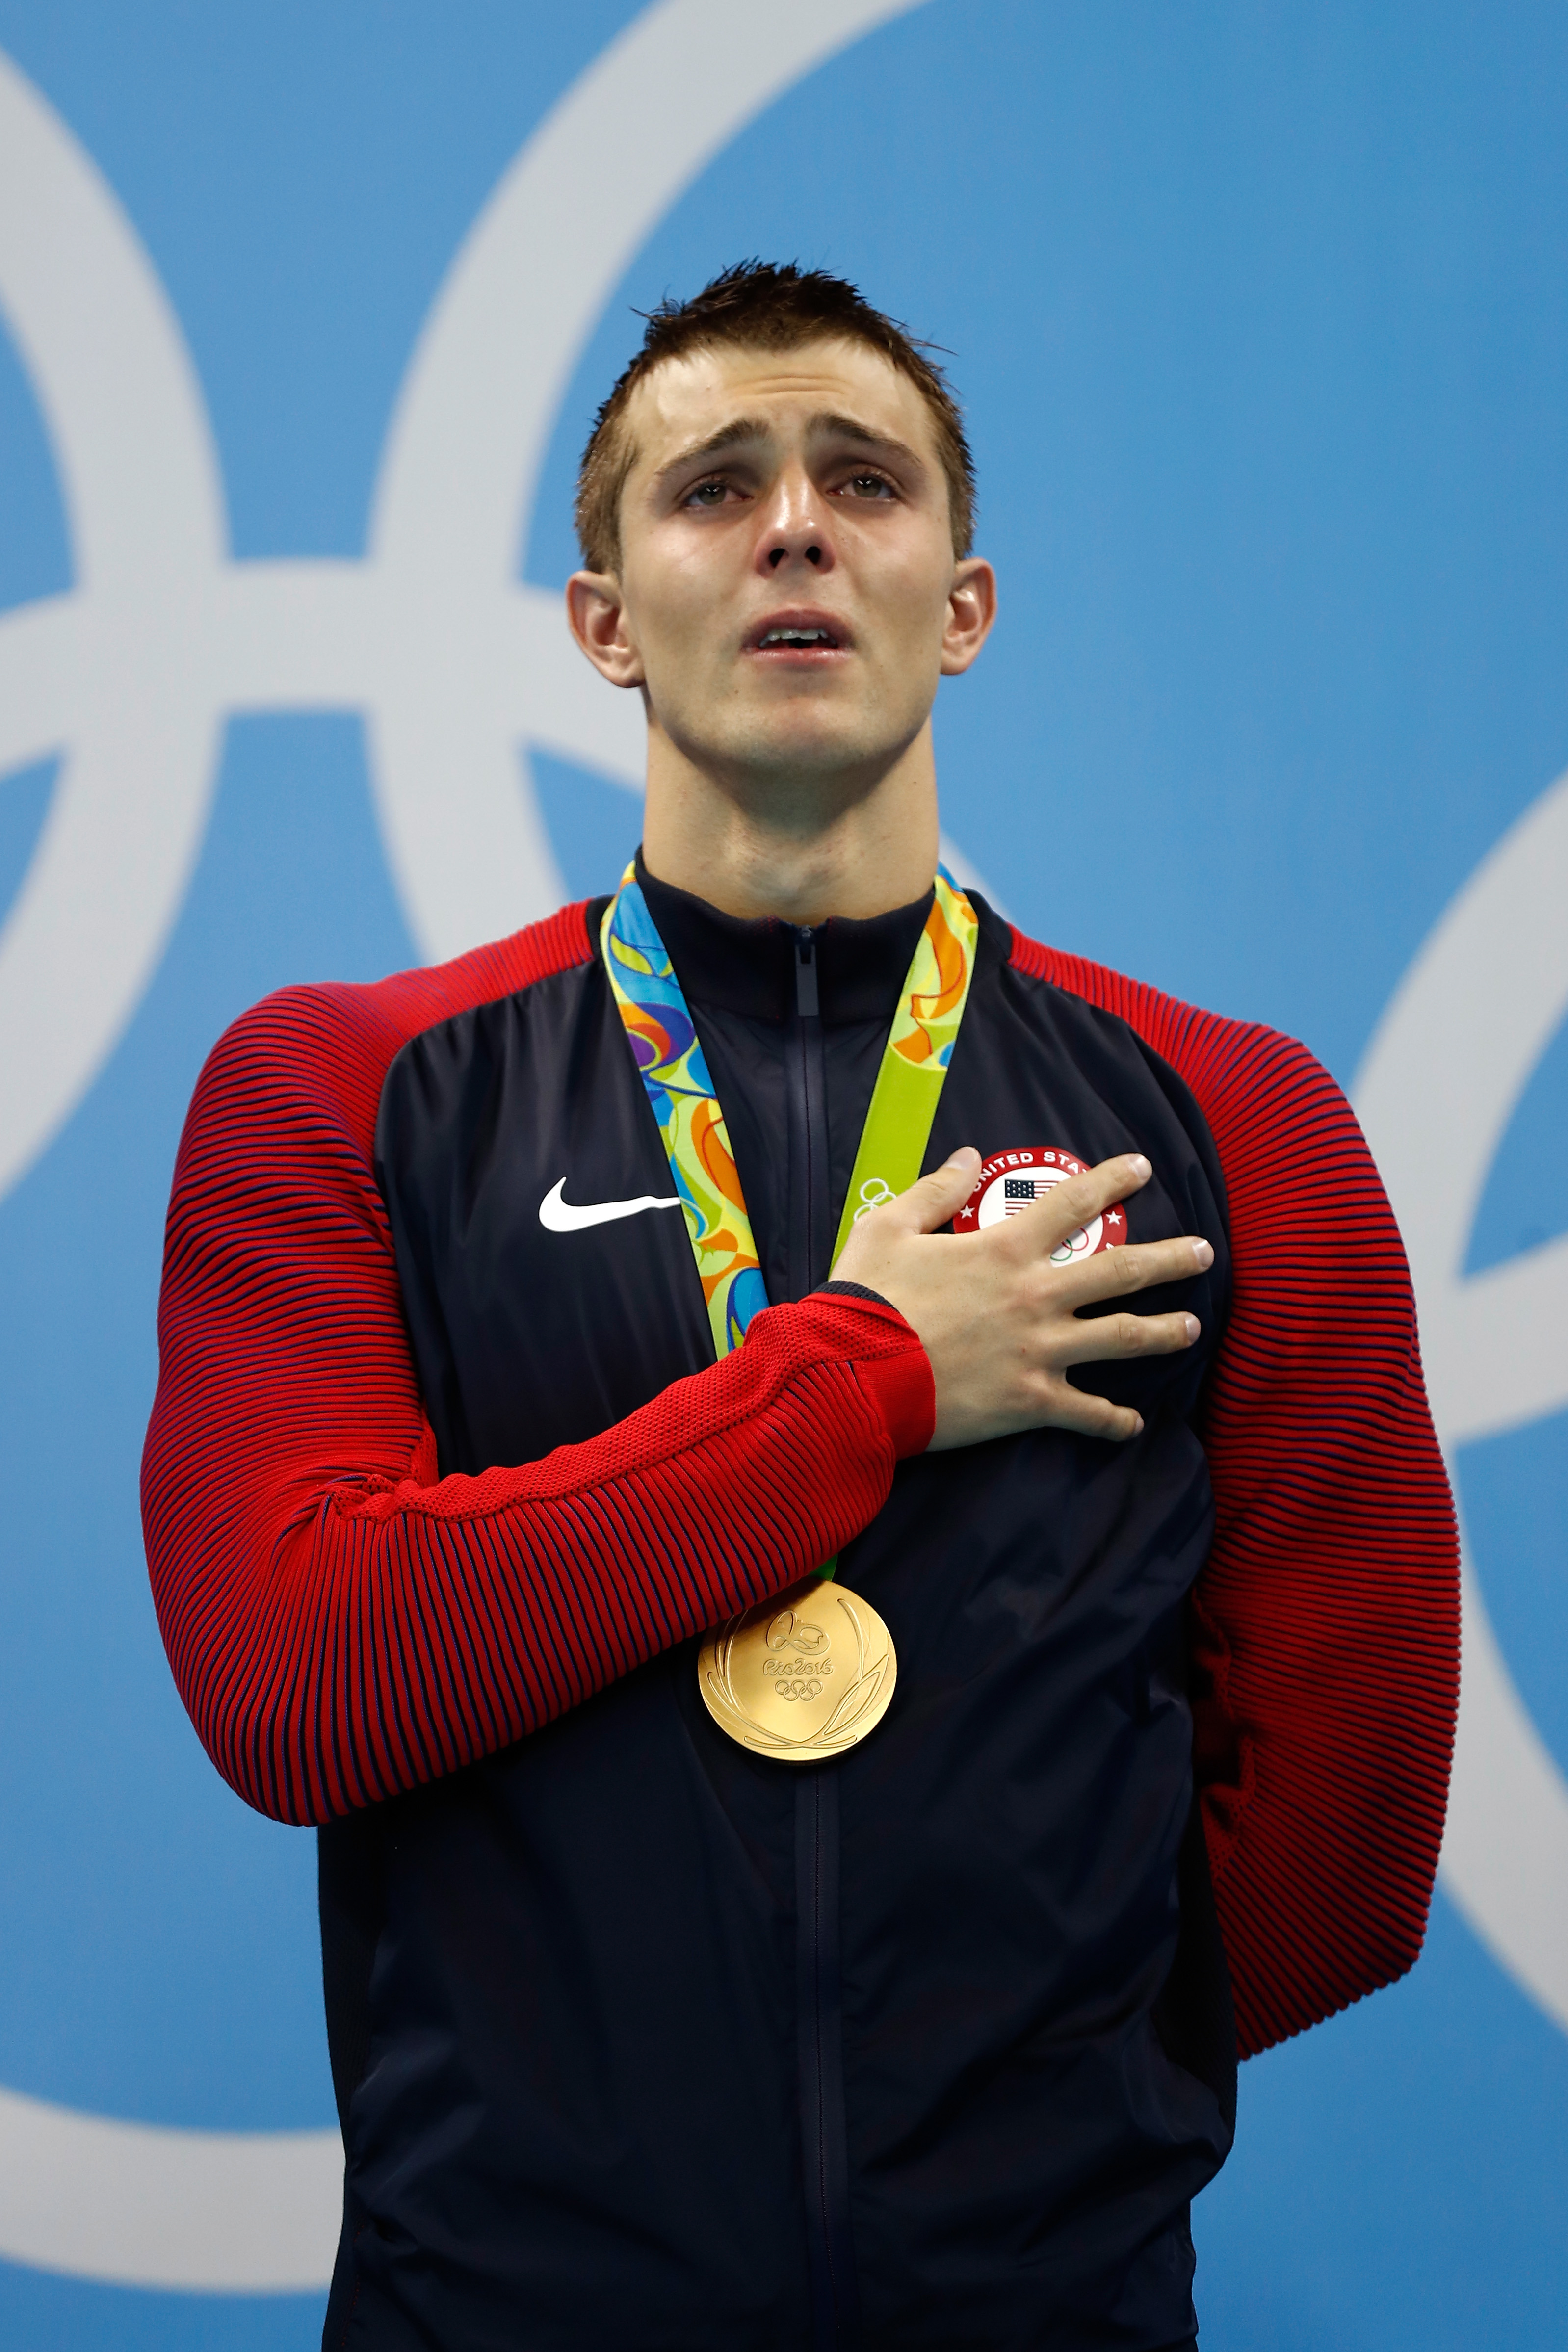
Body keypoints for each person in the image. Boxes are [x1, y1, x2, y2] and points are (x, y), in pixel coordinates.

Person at [142, 262, 1458, 2351]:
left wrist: (1032, 2101)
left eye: (862, 478)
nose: (790, 526)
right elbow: (300, 1669)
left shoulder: (1232, 1117)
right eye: (710, 486)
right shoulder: (346, 1087)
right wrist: (860, 1378)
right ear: (599, 621)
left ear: (964, 604)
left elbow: (1350, 1828)